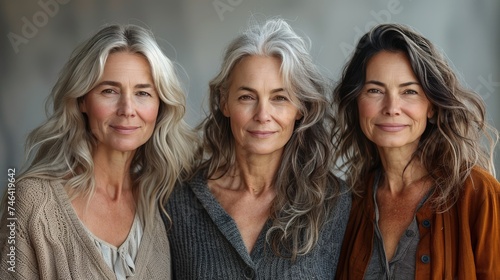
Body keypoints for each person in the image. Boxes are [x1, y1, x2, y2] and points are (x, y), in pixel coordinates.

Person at [0, 24, 196, 279]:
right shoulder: (30, 200)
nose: (127, 109)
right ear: (82, 100)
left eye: (143, 93)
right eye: (109, 91)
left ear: (160, 106)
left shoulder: (164, 199)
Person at [164, 18, 351, 279]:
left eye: (280, 98)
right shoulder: (175, 200)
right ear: (224, 102)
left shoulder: (335, 202)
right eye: (247, 97)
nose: (263, 115)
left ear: (301, 108)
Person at [333, 23, 500, 279]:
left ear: (431, 107)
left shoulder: (479, 195)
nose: (392, 107)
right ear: (357, 102)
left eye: (409, 91)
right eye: (375, 90)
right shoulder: (350, 203)